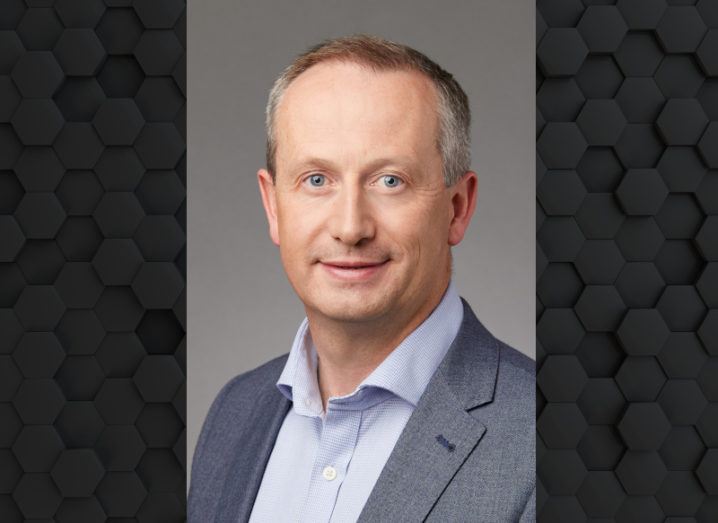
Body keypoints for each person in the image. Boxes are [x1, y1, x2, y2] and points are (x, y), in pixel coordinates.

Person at [188, 34, 534, 522]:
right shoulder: (234, 413)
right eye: (316, 180)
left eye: (390, 181)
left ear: (457, 209)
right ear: (273, 206)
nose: (350, 227)